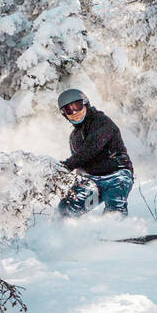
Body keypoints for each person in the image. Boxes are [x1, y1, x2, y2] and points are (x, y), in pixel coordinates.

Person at [55, 88, 134, 217]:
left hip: (116, 174)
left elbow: (91, 148)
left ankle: (116, 228)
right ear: (64, 114)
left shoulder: (101, 122)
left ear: (86, 104)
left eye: (77, 106)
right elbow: (80, 162)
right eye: (68, 110)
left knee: (114, 203)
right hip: (91, 180)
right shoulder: (74, 136)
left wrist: (67, 165)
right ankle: (61, 232)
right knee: (66, 209)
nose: (74, 112)